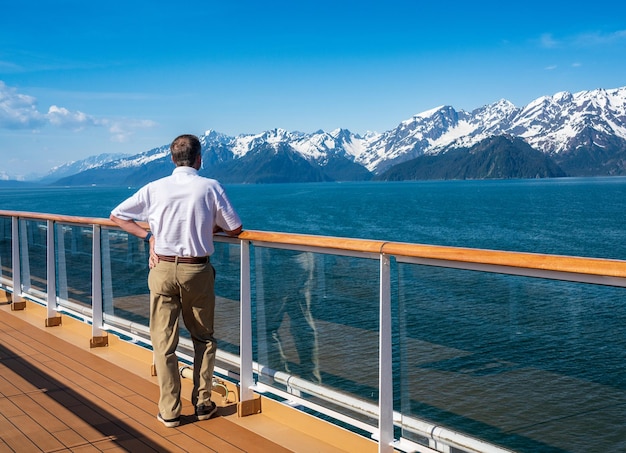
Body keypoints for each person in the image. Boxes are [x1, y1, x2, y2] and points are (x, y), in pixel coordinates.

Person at [110, 134, 242, 428]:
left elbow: (117, 215)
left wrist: (149, 236)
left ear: (172, 160)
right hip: (196, 271)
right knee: (203, 339)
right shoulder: (210, 187)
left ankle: (169, 410)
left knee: (163, 342)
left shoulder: (155, 188)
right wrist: (210, 224)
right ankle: (203, 403)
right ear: (199, 159)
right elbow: (235, 228)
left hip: (162, 268)